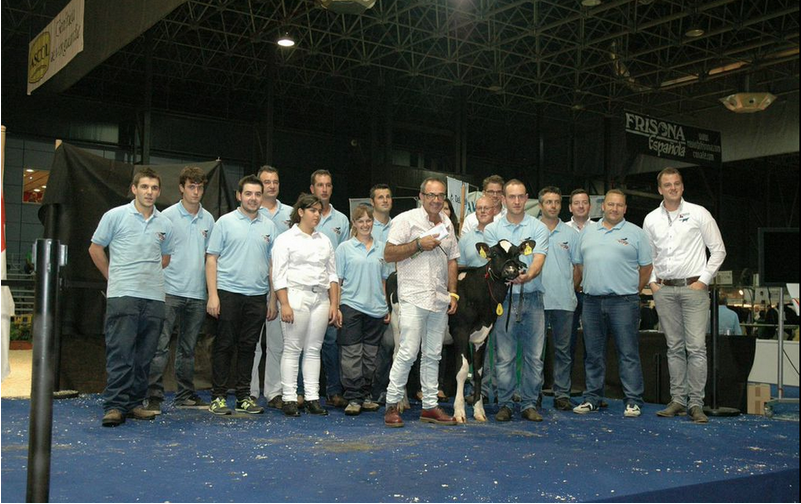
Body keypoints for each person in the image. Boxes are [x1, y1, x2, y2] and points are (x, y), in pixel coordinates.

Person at [89, 168, 174, 427]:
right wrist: (112, 276)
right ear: (134, 189)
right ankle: (115, 406)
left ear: (159, 192)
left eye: (154, 188)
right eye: (144, 187)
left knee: (145, 357)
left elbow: (165, 258)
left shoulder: (165, 224)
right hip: (123, 296)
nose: (149, 192)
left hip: (154, 299)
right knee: (121, 354)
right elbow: (95, 249)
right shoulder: (115, 216)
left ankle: (136, 403)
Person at [644, 167, 726, 424]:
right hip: (664, 290)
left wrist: (703, 281)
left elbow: (718, 250)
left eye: (677, 183)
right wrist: (652, 283)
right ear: (660, 189)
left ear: (682, 186)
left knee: (696, 348)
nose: (673, 188)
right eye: (667, 184)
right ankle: (678, 400)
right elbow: (648, 255)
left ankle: (696, 404)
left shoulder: (699, 213)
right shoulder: (650, 219)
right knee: (674, 347)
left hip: (693, 289)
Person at [383, 177, 460, 428]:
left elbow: (452, 259)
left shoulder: (447, 222)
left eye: (440, 195)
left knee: (433, 354)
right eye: (431, 195)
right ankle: (392, 404)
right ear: (421, 196)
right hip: (413, 296)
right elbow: (388, 254)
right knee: (407, 352)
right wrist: (418, 244)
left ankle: (429, 406)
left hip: (438, 298)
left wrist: (453, 293)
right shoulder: (405, 220)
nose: (436, 200)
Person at [573, 189, 652, 418]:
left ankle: (633, 401)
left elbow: (646, 268)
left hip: (624, 302)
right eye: (610, 204)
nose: (614, 208)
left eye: (619, 205)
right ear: (603, 206)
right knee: (593, 354)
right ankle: (592, 398)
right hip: (591, 302)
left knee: (628, 353)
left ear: (625, 209)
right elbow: (579, 264)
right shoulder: (587, 232)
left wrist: (633, 291)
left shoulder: (636, 233)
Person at [205, 175, 277, 416]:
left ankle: (243, 397)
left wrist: (272, 299)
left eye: (257, 194)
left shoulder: (269, 227)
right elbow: (211, 259)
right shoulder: (224, 223)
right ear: (239, 196)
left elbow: (273, 265)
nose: (253, 198)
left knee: (249, 347)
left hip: (257, 297)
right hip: (228, 294)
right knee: (224, 345)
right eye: (248, 194)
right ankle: (218, 397)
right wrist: (213, 295)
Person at [144, 167, 214, 414]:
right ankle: (153, 396)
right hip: (169, 291)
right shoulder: (167, 217)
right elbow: (155, 252)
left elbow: (210, 258)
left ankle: (184, 395)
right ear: (182, 188)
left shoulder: (208, 219)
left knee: (188, 349)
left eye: (200, 187)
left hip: (197, 294)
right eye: (191, 186)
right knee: (160, 346)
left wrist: (210, 292)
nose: (196, 192)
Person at [484, 179, 549, 422]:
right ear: (503, 199)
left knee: (534, 357)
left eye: (521, 196)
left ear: (527, 198)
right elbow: (492, 265)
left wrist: (527, 276)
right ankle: (505, 404)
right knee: (504, 357)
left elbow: (539, 259)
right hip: (504, 300)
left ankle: (529, 404)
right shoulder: (492, 230)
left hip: (533, 298)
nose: (517, 201)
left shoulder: (538, 228)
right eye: (512, 196)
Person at [272, 194, 341, 417]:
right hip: (296, 295)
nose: (317, 215)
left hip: (320, 298)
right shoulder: (285, 239)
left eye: (319, 211)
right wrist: (284, 303)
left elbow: (332, 274)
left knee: (313, 349)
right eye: (312, 210)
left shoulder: (325, 240)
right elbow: (278, 275)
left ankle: (312, 397)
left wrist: (334, 304)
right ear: (300, 212)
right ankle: (290, 397)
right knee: (293, 348)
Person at [336, 205, 391, 415]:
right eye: (361, 221)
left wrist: (386, 306)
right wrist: (336, 307)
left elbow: (385, 280)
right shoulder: (344, 248)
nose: (365, 225)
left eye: (369, 221)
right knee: (351, 354)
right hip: (351, 306)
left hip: (376, 309)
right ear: (354, 223)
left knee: (370, 356)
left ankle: (366, 394)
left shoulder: (382, 249)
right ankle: (353, 397)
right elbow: (337, 281)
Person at [249, 165, 294, 411]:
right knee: (253, 344)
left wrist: (278, 296)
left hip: (282, 288)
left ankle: (274, 391)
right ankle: (250, 391)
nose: (272, 186)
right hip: (255, 287)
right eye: (267, 182)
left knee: (278, 344)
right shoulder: (251, 211)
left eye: (275, 181)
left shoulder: (290, 213)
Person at [309, 169, 350, 408]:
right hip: (306, 288)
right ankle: (302, 392)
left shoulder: (341, 220)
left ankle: (334, 391)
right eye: (320, 185)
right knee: (305, 343)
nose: (324, 189)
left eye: (328, 185)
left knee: (331, 342)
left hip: (331, 289)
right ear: (312, 188)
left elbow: (342, 260)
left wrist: (338, 298)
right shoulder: (304, 215)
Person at [538, 186, 580, 412]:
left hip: (564, 302)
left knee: (563, 351)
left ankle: (562, 394)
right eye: (548, 202)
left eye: (556, 202)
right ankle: (533, 394)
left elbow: (578, 268)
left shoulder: (571, 234)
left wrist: (567, 288)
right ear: (541, 205)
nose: (553, 206)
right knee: (535, 353)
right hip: (537, 301)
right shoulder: (532, 230)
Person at [368, 184, 396, 405]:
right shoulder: (365, 226)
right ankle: (370, 390)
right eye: (380, 197)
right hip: (369, 292)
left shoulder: (399, 226)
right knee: (372, 347)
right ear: (372, 202)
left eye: (388, 197)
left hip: (396, 292)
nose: (385, 200)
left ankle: (389, 390)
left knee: (391, 344)